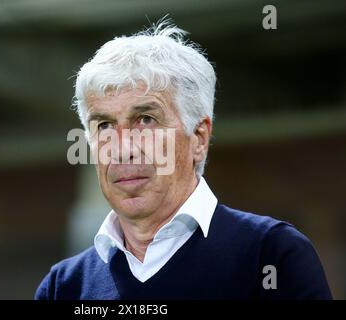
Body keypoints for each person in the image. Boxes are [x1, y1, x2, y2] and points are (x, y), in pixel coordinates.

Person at [35, 19, 332, 300]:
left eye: (146, 120)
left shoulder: (271, 255)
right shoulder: (63, 287)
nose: (122, 148)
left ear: (199, 138)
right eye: (104, 125)